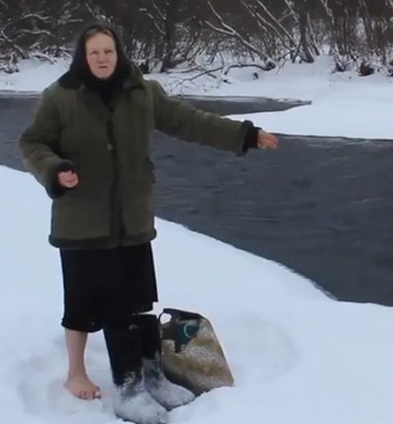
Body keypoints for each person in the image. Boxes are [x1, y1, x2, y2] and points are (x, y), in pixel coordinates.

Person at [17, 22, 278, 424]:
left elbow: (191, 122)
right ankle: (122, 386)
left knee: (138, 301)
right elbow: (33, 142)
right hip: (82, 219)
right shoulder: (60, 97)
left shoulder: (143, 93)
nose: (103, 58)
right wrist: (55, 170)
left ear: (119, 53)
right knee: (93, 305)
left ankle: (152, 377)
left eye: (109, 51)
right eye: (94, 53)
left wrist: (245, 135)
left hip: (132, 216)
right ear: (82, 58)